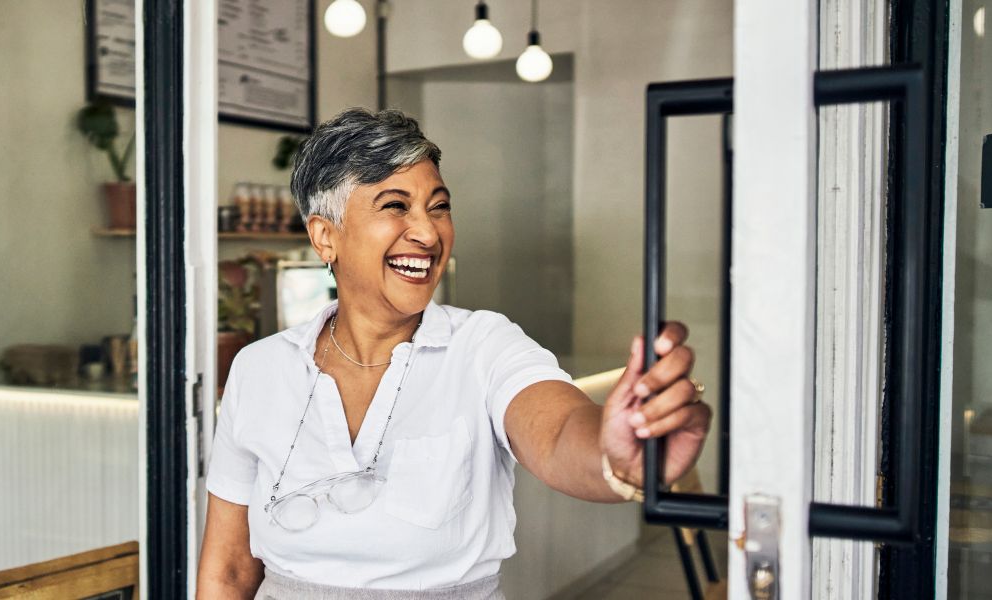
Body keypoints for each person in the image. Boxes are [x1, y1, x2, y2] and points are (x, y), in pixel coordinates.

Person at [197, 109, 711, 599]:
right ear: (324, 236)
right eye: (395, 206)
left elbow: (555, 433)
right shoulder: (260, 368)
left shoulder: (484, 345)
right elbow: (230, 569)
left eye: (438, 206)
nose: (427, 233)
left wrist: (614, 455)